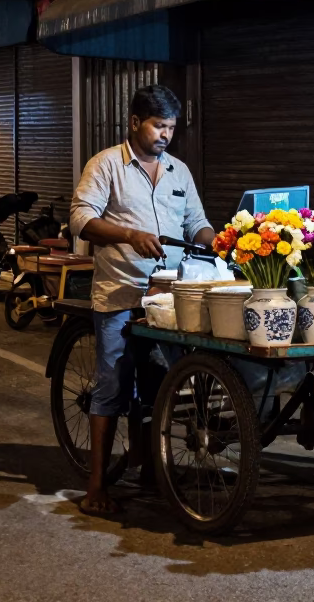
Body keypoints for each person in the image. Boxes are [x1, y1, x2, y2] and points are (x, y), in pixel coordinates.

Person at [68, 85, 214, 517]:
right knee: (112, 386)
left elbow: (197, 223)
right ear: (135, 123)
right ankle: (96, 485)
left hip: (167, 298)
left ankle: (152, 467)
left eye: (171, 127)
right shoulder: (105, 165)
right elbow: (81, 219)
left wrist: (220, 241)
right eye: (158, 126)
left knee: (161, 384)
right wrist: (129, 235)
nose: (165, 135)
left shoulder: (178, 171)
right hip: (120, 294)